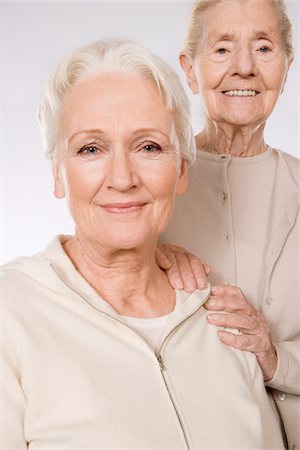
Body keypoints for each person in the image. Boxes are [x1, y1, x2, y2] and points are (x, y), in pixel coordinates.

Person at [1, 38, 286, 448]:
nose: (122, 178)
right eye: (91, 149)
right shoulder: (10, 315)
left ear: (182, 170)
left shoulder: (225, 321)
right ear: (58, 174)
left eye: (148, 147)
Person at [159, 0, 300, 448]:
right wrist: (143, 251)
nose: (244, 68)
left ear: (287, 64)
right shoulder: (148, 188)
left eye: (263, 47)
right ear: (190, 70)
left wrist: (274, 356)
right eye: (222, 50)